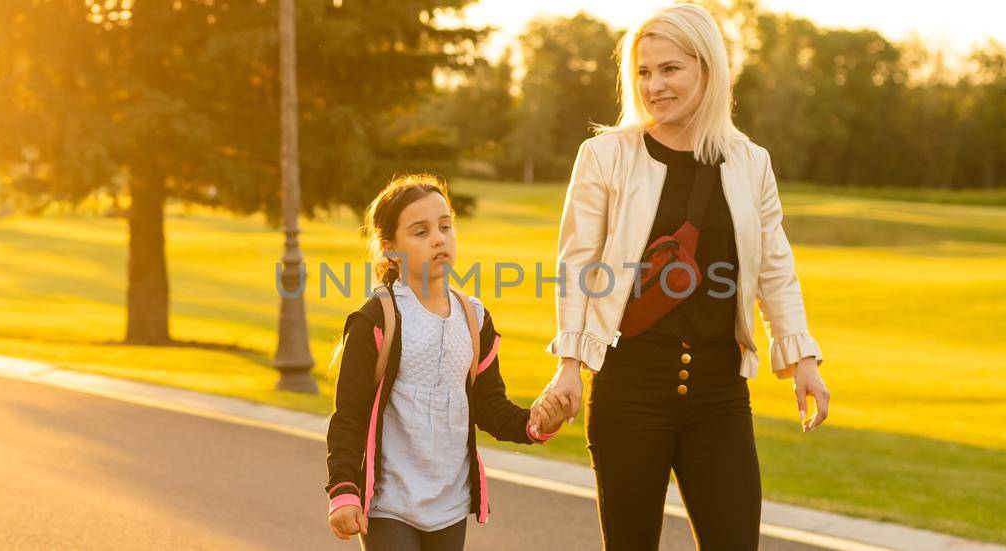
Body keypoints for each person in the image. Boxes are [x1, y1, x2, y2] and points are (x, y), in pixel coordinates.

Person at [534, 5, 832, 549]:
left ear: (708, 70)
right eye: (644, 73)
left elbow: (774, 266)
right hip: (629, 388)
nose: (654, 86)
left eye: (670, 69)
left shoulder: (750, 162)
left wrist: (802, 356)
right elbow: (578, 266)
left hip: (720, 395)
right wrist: (570, 365)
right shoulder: (605, 156)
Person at [324, 173, 574, 550]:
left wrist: (535, 424)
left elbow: (489, 406)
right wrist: (344, 491)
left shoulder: (474, 319)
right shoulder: (378, 319)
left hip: (450, 505)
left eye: (445, 226)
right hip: (389, 503)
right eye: (420, 232)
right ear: (390, 247)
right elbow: (349, 416)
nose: (439, 238)